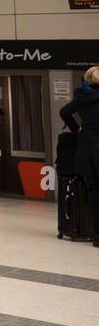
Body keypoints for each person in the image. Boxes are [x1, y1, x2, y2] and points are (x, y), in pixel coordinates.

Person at [60, 66, 99, 247]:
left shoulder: (82, 98)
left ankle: (97, 235)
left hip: (88, 150)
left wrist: (77, 129)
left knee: (94, 192)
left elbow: (64, 112)